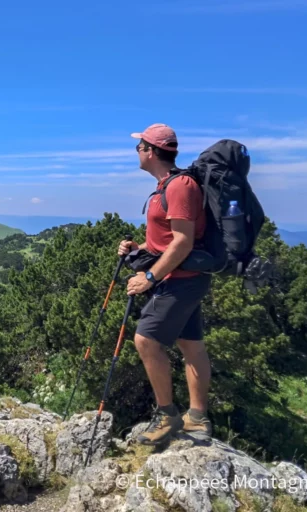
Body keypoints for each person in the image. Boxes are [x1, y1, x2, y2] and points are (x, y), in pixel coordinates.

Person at [118, 123, 213, 445]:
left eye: (139, 147)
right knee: (191, 345)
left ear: (151, 151)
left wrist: (149, 277)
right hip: (181, 277)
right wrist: (138, 249)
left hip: (180, 280)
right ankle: (197, 419)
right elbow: (162, 242)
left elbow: (183, 242)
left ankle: (167, 415)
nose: (137, 152)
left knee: (146, 341)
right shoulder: (165, 186)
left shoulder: (178, 187)